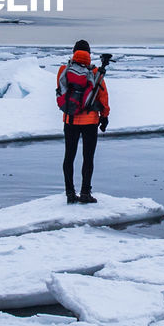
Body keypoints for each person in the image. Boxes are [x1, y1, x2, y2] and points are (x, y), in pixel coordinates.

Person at [56, 39, 109, 204]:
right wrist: (104, 116)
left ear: (74, 52)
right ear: (89, 54)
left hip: (70, 120)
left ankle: (70, 193)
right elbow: (103, 96)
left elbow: (60, 91)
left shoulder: (64, 70)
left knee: (69, 157)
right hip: (90, 122)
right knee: (88, 157)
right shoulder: (94, 72)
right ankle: (85, 193)